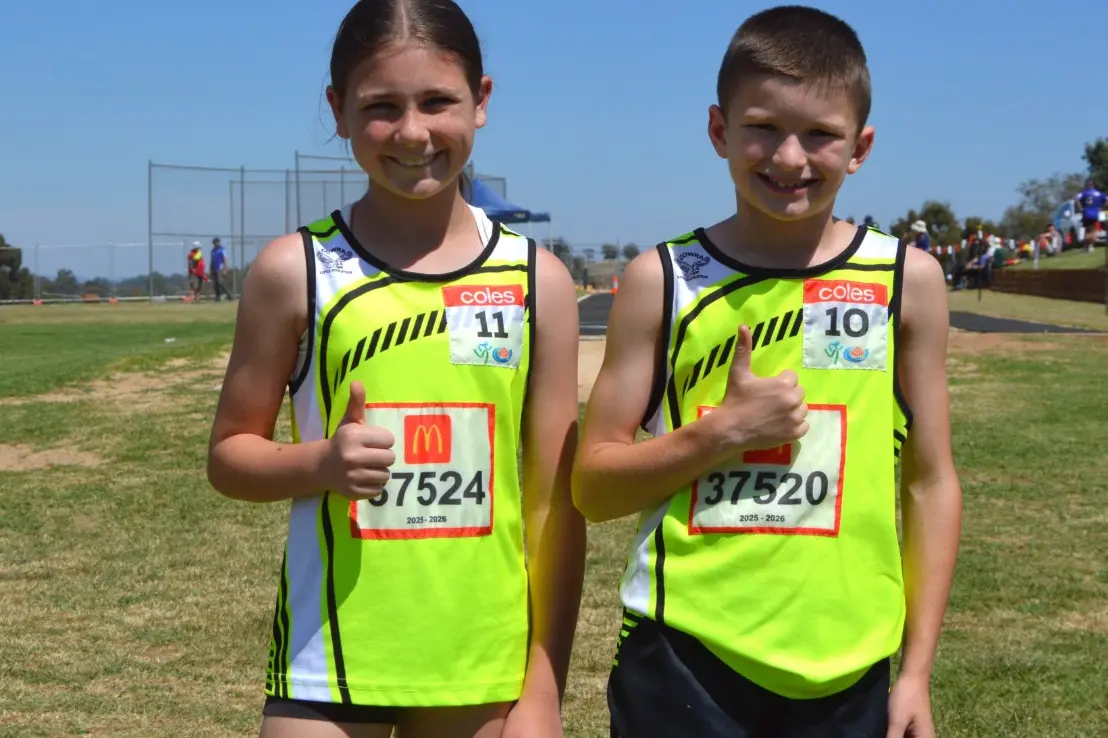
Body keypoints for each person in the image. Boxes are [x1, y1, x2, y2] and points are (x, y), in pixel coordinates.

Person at [572, 6, 962, 738]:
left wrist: (914, 673)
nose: (790, 158)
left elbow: (931, 480)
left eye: (821, 135)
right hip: (685, 656)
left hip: (851, 666)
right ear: (719, 130)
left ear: (861, 146)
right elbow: (592, 487)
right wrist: (720, 434)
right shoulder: (663, 280)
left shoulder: (909, 281)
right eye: (763, 128)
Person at [206, 1, 585, 735]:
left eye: (438, 101)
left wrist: (544, 689)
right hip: (330, 657)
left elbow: (550, 506)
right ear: (338, 112)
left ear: (482, 101)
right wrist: (320, 462)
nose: (413, 133)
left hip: (480, 663)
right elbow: (229, 456)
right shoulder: (295, 271)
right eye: (381, 107)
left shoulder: (539, 281)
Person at [1074, 178, 1105, 252]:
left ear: (1087, 185)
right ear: (1093, 185)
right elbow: (1107, 199)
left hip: (1086, 213)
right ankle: (1090, 245)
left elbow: (1076, 198)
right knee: (1094, 231)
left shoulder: (1084, 193)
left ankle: (1086, 246)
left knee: (1087, 230)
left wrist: (1081, 208)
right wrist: (1101, 207)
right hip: (1094, 214)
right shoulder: (1098, 193)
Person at [210, 237, 230, 301]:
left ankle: (228, 295)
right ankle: (217, 296)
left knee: (220, 282)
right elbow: (212, 260)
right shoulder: (213, 251)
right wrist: (210, 269)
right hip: (214, 268)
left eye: (217, 242)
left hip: (220, 268)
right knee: (215, 283)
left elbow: (225, 259)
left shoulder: (222, 250)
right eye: (215, 243)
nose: (216, 244)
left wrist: (225, 268)